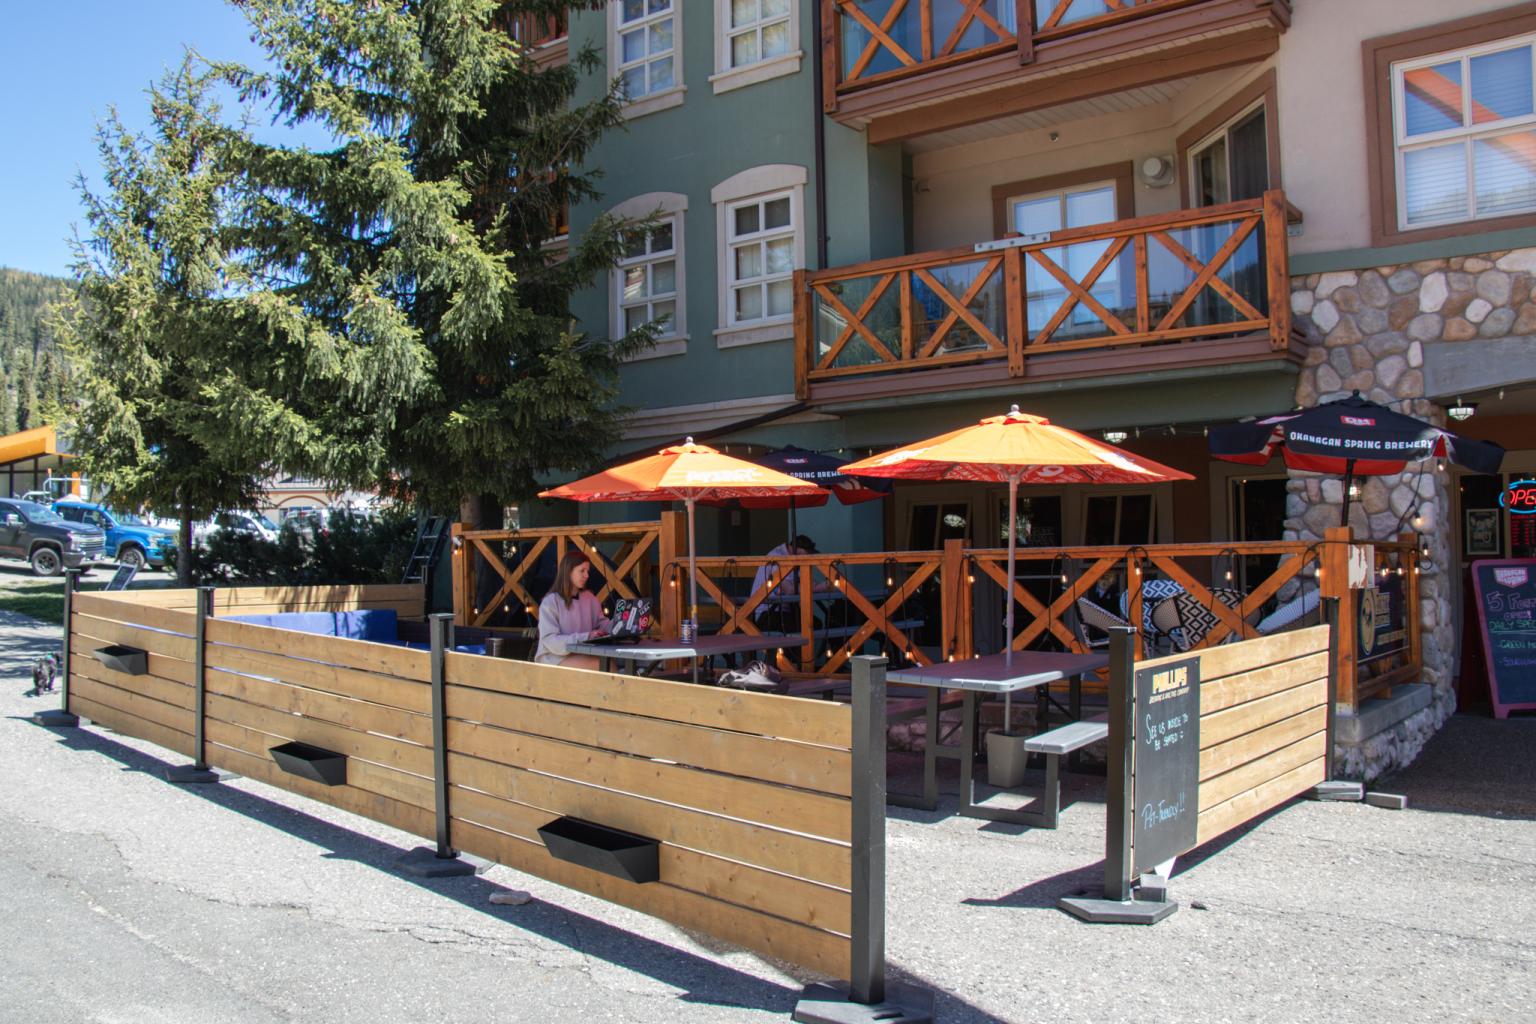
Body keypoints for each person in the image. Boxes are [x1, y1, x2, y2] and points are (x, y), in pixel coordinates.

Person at [534, 551, 612, 669]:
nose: (587, 575)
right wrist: (586, 637)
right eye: (582, 571)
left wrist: (622, 626)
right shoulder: (550, 602)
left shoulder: (590, 598)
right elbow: (550, 641)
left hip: (581, 654)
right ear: (568, 571)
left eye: (587, 571)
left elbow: (602, 624)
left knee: (609, 664)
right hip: (553, 659)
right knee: (603, 665)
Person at [751, 534, 817, 632]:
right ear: (798, 549)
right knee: (805, 627)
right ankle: (797, 647)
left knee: (814, 623)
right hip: (766, 613)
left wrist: (814, 586)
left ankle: (798, 647)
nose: (809, 557)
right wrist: (819, 588)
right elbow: (789, 590)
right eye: (808, 553)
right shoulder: (777, 557)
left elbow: (809, 582)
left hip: (783, 611)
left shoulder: (796, 559)